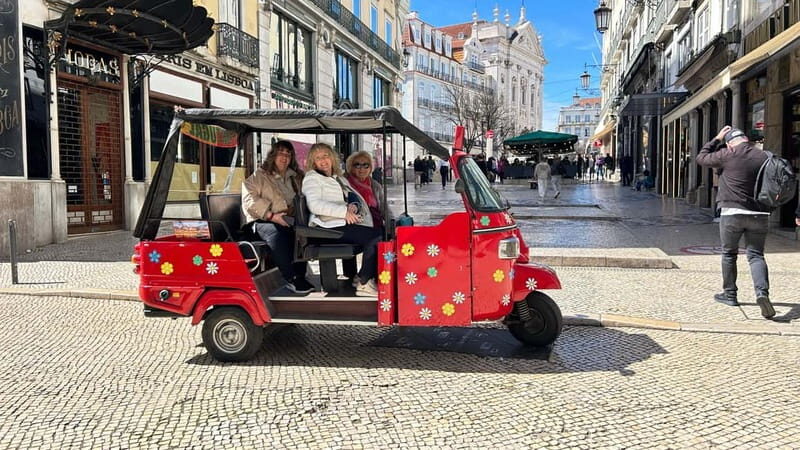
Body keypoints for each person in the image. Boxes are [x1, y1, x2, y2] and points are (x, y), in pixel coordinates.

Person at [696, 126, 775, 319]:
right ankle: (762, 294)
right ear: (747, 140)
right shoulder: (764, 156)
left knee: (729, 254)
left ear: (730, 143)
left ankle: (730, 294)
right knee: (756, 255)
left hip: (732, 212)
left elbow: (701, 158)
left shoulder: (727, 154)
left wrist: (717, 138)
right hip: (759, 213)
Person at [302, 143, 382, 296]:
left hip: (336, 223)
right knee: (375, 237)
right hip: (324, 228)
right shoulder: (312, 178)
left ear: (332, 157)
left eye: (326, 156)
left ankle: (362, 276)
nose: (323, 161)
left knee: (380, 233)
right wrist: (344, 212)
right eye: (318, 158)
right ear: (313, 162)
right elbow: (314, 205)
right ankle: (364, 282)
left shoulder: (336, 177)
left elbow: (349, 195)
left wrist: (352, 206)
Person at [242, 141, 314, 294]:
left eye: (288, 154)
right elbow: (249, 200)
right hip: (262, 220)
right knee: (277, 233)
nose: (285, 157)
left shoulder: (296, 177)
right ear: (273, 155)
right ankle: (291, 278)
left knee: (303, 232)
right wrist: (272, 216)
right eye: (281, 153)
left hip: (290, 218)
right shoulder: (260, 176)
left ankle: (301, 275)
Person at [345, 151, 392, 233]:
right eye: (357, 165)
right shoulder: (344, 184)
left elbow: (385, 209)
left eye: (366, 165)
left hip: (376, 227)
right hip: (355, 227)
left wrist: (392, 227)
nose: (362, 169)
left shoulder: (375, 186)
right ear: (351, 167)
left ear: (370, 168)